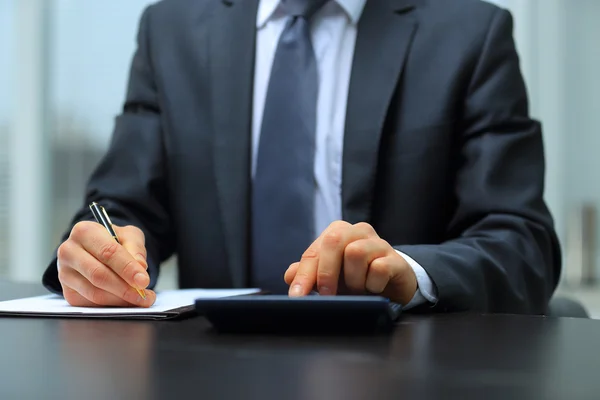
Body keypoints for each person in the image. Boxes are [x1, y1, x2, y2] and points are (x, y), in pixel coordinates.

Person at [42, 0, 561, 314]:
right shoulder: (170, 31)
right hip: (211, 373)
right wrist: (103, 256)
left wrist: (409, 270)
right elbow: (121, 207)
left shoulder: (471, 34)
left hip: (401, 373)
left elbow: (522, 242)